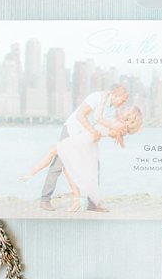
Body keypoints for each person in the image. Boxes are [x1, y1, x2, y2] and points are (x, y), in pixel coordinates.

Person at [21, 86, 142, 215]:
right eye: (123, 100)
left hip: (87, 137)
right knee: (58, 165)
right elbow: (80, 115)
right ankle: (45, 199)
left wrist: (114, 133)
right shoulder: (97, 97)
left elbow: (106, 126)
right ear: (115, 94)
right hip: (73, 130)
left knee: (93, 167)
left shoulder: (111, 108)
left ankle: (92, 202)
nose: (123, 104)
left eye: (125, 103)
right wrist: (96, 131)